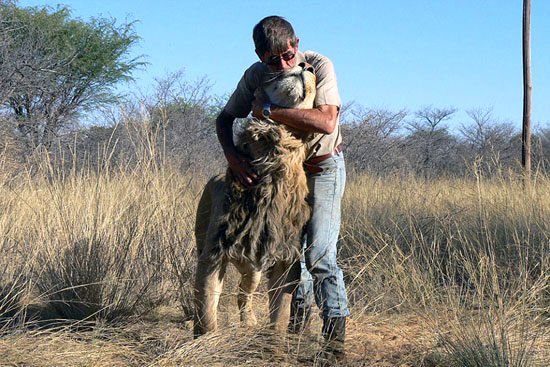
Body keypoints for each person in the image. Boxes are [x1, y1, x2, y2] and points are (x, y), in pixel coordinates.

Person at [215, 15, 349, 363]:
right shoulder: (255, 75)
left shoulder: (318, 65)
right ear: (260, 55)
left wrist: (270, 111)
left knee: (319, 255)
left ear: (297, 43)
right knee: (289, 257)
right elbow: (224, 118)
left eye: (290, 55)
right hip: (281, 175)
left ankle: (334, 348)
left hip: (321, 168)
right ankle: (294, 340)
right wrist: (233, 158)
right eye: (274, 60)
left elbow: (326, 120)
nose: (285, 64)